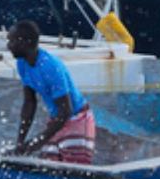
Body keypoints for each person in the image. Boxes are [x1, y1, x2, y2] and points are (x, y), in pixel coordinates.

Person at [9, 20, 96, 163]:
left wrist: (36, 142)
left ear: (25, 42)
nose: (8, 46)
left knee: (74, 168)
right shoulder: (22, 63)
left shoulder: (50, 67)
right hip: (57, 120)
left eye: (11, 41)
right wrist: (20, 142)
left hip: (77, 119)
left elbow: (66, 111)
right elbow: (29, 103)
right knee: (48, 165)